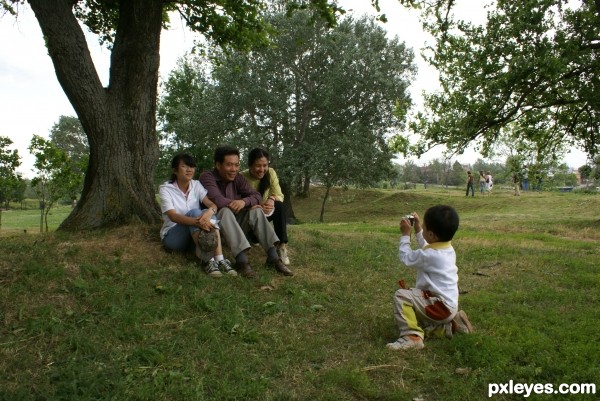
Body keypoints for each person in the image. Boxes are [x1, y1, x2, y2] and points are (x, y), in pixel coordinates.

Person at [387, 205, 473, 351]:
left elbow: (406, 257)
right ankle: (451, 326)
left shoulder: (431, 255)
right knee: (415, 317)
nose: (423, 228)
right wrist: (419, 229)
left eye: (425, 226)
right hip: (447, 307)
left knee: (402, 296)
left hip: (438, 306)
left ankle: (412, 337)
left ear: (432, 234)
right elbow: (427, 244)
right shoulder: (446, 248)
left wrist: (405, 235)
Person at [200, 145, 293, 278]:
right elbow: (218, 201)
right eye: (229, 165)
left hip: (237, 226)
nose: (234, 169)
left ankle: (273, 258)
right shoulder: (207, 177)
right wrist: (246, 205)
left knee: (256, 211)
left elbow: (257, 196)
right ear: (218, 165)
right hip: (217, 231)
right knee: (225, 211)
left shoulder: (237, 178)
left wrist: (243, 202)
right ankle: (242, 261)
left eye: (236, 165)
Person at [159, 153, 237, 277]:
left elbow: (212, 205)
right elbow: (173, 216)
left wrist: (209, 213)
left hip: (194, 234)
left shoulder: (196, 185)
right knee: (195, 212)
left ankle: (220, 260)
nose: (190, 170)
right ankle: (208, 261)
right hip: (174, 237)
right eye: (185, 166)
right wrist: (198, 221)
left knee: (206, 212)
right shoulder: (165, 189)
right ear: (175, 170)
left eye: (192, 167)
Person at [241, 148, 290, 265]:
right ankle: (253, 237)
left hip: (267, 212)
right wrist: (257, 207)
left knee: (279, 205)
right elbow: (239, 202)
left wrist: (272, 199)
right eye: (258, 166)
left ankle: (282, 245)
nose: (262, 169)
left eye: (265, 165)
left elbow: (279, 195)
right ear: (250, 165)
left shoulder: (270, 173)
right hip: (250, 216)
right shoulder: (241, 177)